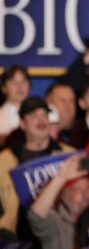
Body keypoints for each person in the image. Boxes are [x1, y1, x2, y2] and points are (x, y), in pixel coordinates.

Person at [0, 97, 74, 235]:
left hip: (57, 236)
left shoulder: (68, 156)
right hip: (16, 235)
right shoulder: (5, 160)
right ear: (22, 124)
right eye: (34, 116)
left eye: (44, 115)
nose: (41, 120)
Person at [0, 65, 31, 146]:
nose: (19, 86)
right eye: (13, 82)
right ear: (4, 88)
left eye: (23, 81)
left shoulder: (44, 113)